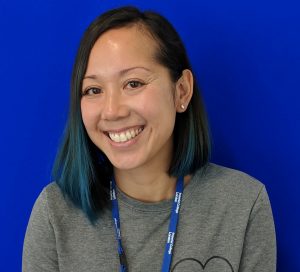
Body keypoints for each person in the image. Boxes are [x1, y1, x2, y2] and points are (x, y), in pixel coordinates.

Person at [22, 6, 276, 272]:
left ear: (182, 91)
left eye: (133, 83)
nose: (112, 110)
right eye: (93, 89)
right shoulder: (55, 213)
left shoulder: (243, 203)